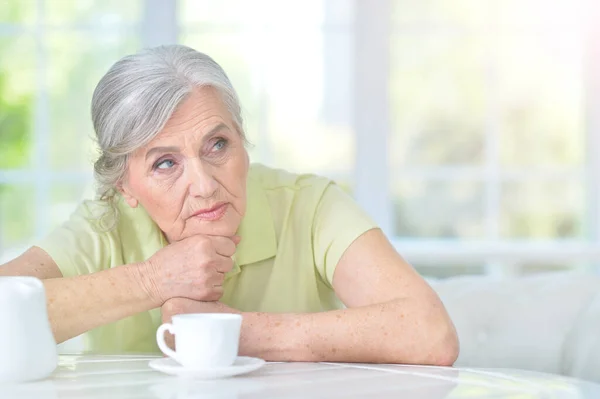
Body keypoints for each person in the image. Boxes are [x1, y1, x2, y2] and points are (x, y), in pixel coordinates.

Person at [0, 44, 458, 365]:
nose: (204, 185)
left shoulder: (310, 205)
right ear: (124, 185)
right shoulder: (103, 227)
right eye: (165, 163)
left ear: (242, 139)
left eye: (217, 144)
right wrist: (152, 279)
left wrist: (234, 331)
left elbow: (431, 334)